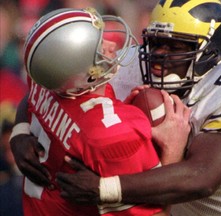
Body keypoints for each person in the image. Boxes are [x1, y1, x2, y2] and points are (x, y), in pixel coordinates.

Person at [10, 0, 221, 215]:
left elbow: (202, 177)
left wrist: (105, 188)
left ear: (210, 52)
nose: (159, 56)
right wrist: (21, 132)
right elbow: (56, 83)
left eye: (175, 46)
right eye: (155, 43)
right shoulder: (131, 62)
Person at [9, 7, 191, 216]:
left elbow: (33, 101)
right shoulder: (114, 134)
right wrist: (173, 153)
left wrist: (19, 131)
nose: (113, 45)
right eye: (101, 48)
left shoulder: (49, 76)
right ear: (83, 74)